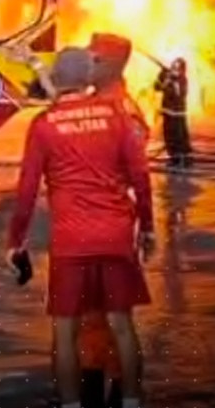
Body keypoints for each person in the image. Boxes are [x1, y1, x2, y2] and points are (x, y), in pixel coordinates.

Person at [8, 48, 156, 408]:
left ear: (57, 79)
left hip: (71, 241)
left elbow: (26, 190)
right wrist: (147, 228)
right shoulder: (116, 115)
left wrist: (16, 242)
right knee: (122, 326)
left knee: (65, 332)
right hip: (116, 235)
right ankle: (131, 402)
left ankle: (72, 404)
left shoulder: (44, 125)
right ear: (89, 77)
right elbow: (140, 175)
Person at [81, 33, 149, 407]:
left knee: (115, 316)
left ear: (110, 64)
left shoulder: (124, 111)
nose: (87, 64)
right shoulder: (93, 103)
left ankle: (124, 395)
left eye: (93, 58)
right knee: (91, 315)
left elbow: (135, 174)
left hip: (113, 227)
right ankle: (92, 387)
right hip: (87, 227)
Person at [152, 58, 192, 170]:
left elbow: (178, 94)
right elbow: (157, 87)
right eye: (173, 66)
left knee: (180, 137)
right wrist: (163, 76)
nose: (174, 69)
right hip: (167, 112)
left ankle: (184, 159)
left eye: (177, 67)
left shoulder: (182, 80)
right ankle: (173, 159)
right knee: (168, 137)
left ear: (182, 69)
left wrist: (171, 80)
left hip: (178, 114)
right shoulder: (167, 76)